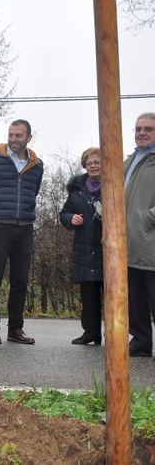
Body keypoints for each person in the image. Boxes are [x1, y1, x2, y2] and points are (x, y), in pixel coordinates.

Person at [0, 119, 43, 345]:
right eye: (11, 135)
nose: (14, 139)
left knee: (20, 281)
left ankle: (15, 329)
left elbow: (33, 192)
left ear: (28, 138)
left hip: (25, 227)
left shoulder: (37, 165)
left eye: (19, 135)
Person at [59, 147, 104, 346]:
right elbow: (64, 213)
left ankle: (113, 334)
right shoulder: (76, 190)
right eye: (89, 163)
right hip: (84, 249)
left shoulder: (115, 185)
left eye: (97, 162)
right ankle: (90, 333)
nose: (93, 166)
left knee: (112, 297)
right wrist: (71, 218)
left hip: (107, 250)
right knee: (88, 295)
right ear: (85, 165)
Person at [124, 112, 155, 357]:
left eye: (148, 129)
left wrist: (148, 218)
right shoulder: (130, 160)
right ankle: (141, 342)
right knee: (134, 297)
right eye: (138, 129)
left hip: (150, 240)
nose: (141, 133)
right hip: (128, 242)